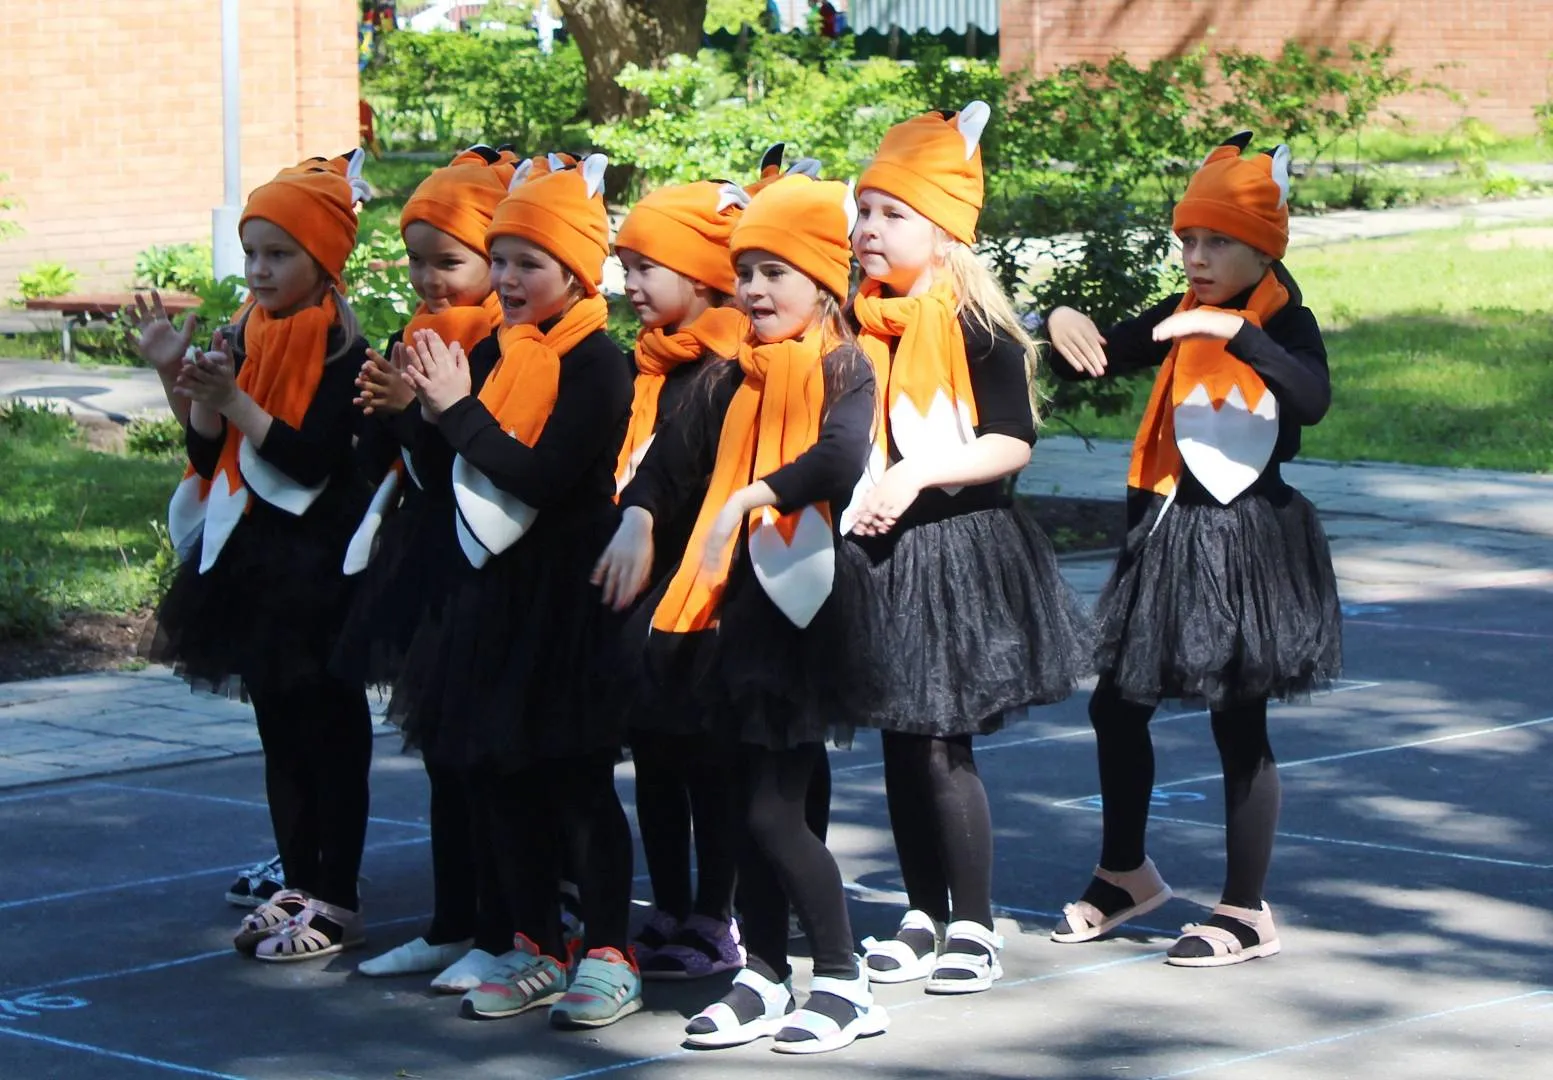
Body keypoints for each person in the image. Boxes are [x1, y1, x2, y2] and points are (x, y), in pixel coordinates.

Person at [601, 173, 887, 1054]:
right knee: (735, 804)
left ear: (822, 280)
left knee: (772, 813)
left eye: (774, 272)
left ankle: (842, 979)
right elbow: (664, 467)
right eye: (745, 273)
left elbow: (838, 460)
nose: (754, 290)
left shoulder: (844, 366)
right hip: (723, 615)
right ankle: (762, 973)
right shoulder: (730, 375)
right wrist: (640, 520)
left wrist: (746, 499)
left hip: (795, 612)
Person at [1045, 132, 1341, 967]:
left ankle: (1245, 910)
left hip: (1244, 540)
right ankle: (1124, 874)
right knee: (1115, 706)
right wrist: (1058, 321)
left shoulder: (1285, 320)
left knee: (1236, 719)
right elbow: (1093, 361)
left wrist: (1235, 333)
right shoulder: (1178, 315)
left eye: (1217, 242)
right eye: (1188, 241)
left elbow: (1311, 399)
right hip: (1166, 530)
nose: (1197, 258)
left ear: (1264, 249)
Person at [843, 102, 1091, 993]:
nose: (869, 228)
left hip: (954, 553)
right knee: (898, 739)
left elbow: (1010, 441)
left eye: (892, 213)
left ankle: (973, 924)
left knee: (942, 742)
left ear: (944, 232)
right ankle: (920, 912)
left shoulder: (977, 325)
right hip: (876, 554)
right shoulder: (854, 323)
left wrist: (917, 475)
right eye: (863, 211)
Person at [393, 154, 642, 1026]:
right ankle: (534, 944)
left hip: (564, 597)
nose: (503, 278)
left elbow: (540, 476)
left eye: (526, 263)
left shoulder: (598, 363)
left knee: (575, 780)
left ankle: (607, 950)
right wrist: (416, 411)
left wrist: (455, 410)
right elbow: (446, 472)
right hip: (490, 593)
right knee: (501, 777)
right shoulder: (496, 349)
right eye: (497, 259)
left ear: (576, 272)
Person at [136, 151, 376, 962]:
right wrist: (180, 379)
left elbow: (309, 462)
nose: (259, 270)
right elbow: (211, 456)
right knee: (280, 733)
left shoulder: (344, 350)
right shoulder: (247, 331)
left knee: (330, 731)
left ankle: (338, 896)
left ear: (323, 260)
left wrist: (232, 398)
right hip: (255, 561)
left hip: (322, 566)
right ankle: (297, 881)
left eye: (279, 254)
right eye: (251, 253)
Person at [337, 146, 514, 985]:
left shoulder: (509, 347)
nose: (429, 279)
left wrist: (419, 413)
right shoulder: (416, 336)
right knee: (442, 752)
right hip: (428, 564)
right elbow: (393, 461)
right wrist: (383, 414)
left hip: (492, 573)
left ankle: (506, 927)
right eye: (416, 261)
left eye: (450, 261)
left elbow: (478, 471)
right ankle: (453, 921)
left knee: (489, 756)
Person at [599, 179, 750, 980]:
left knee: (710, 758)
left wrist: (644, 515)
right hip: (645, 589)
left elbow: (681, 466)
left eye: (645, 267)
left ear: (699, 273)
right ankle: (666, 905)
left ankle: (716, 912)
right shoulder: (645, 365)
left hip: (710, 587)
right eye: (624, 266)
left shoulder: (730, 365)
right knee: (654, 754)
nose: (628, 284)